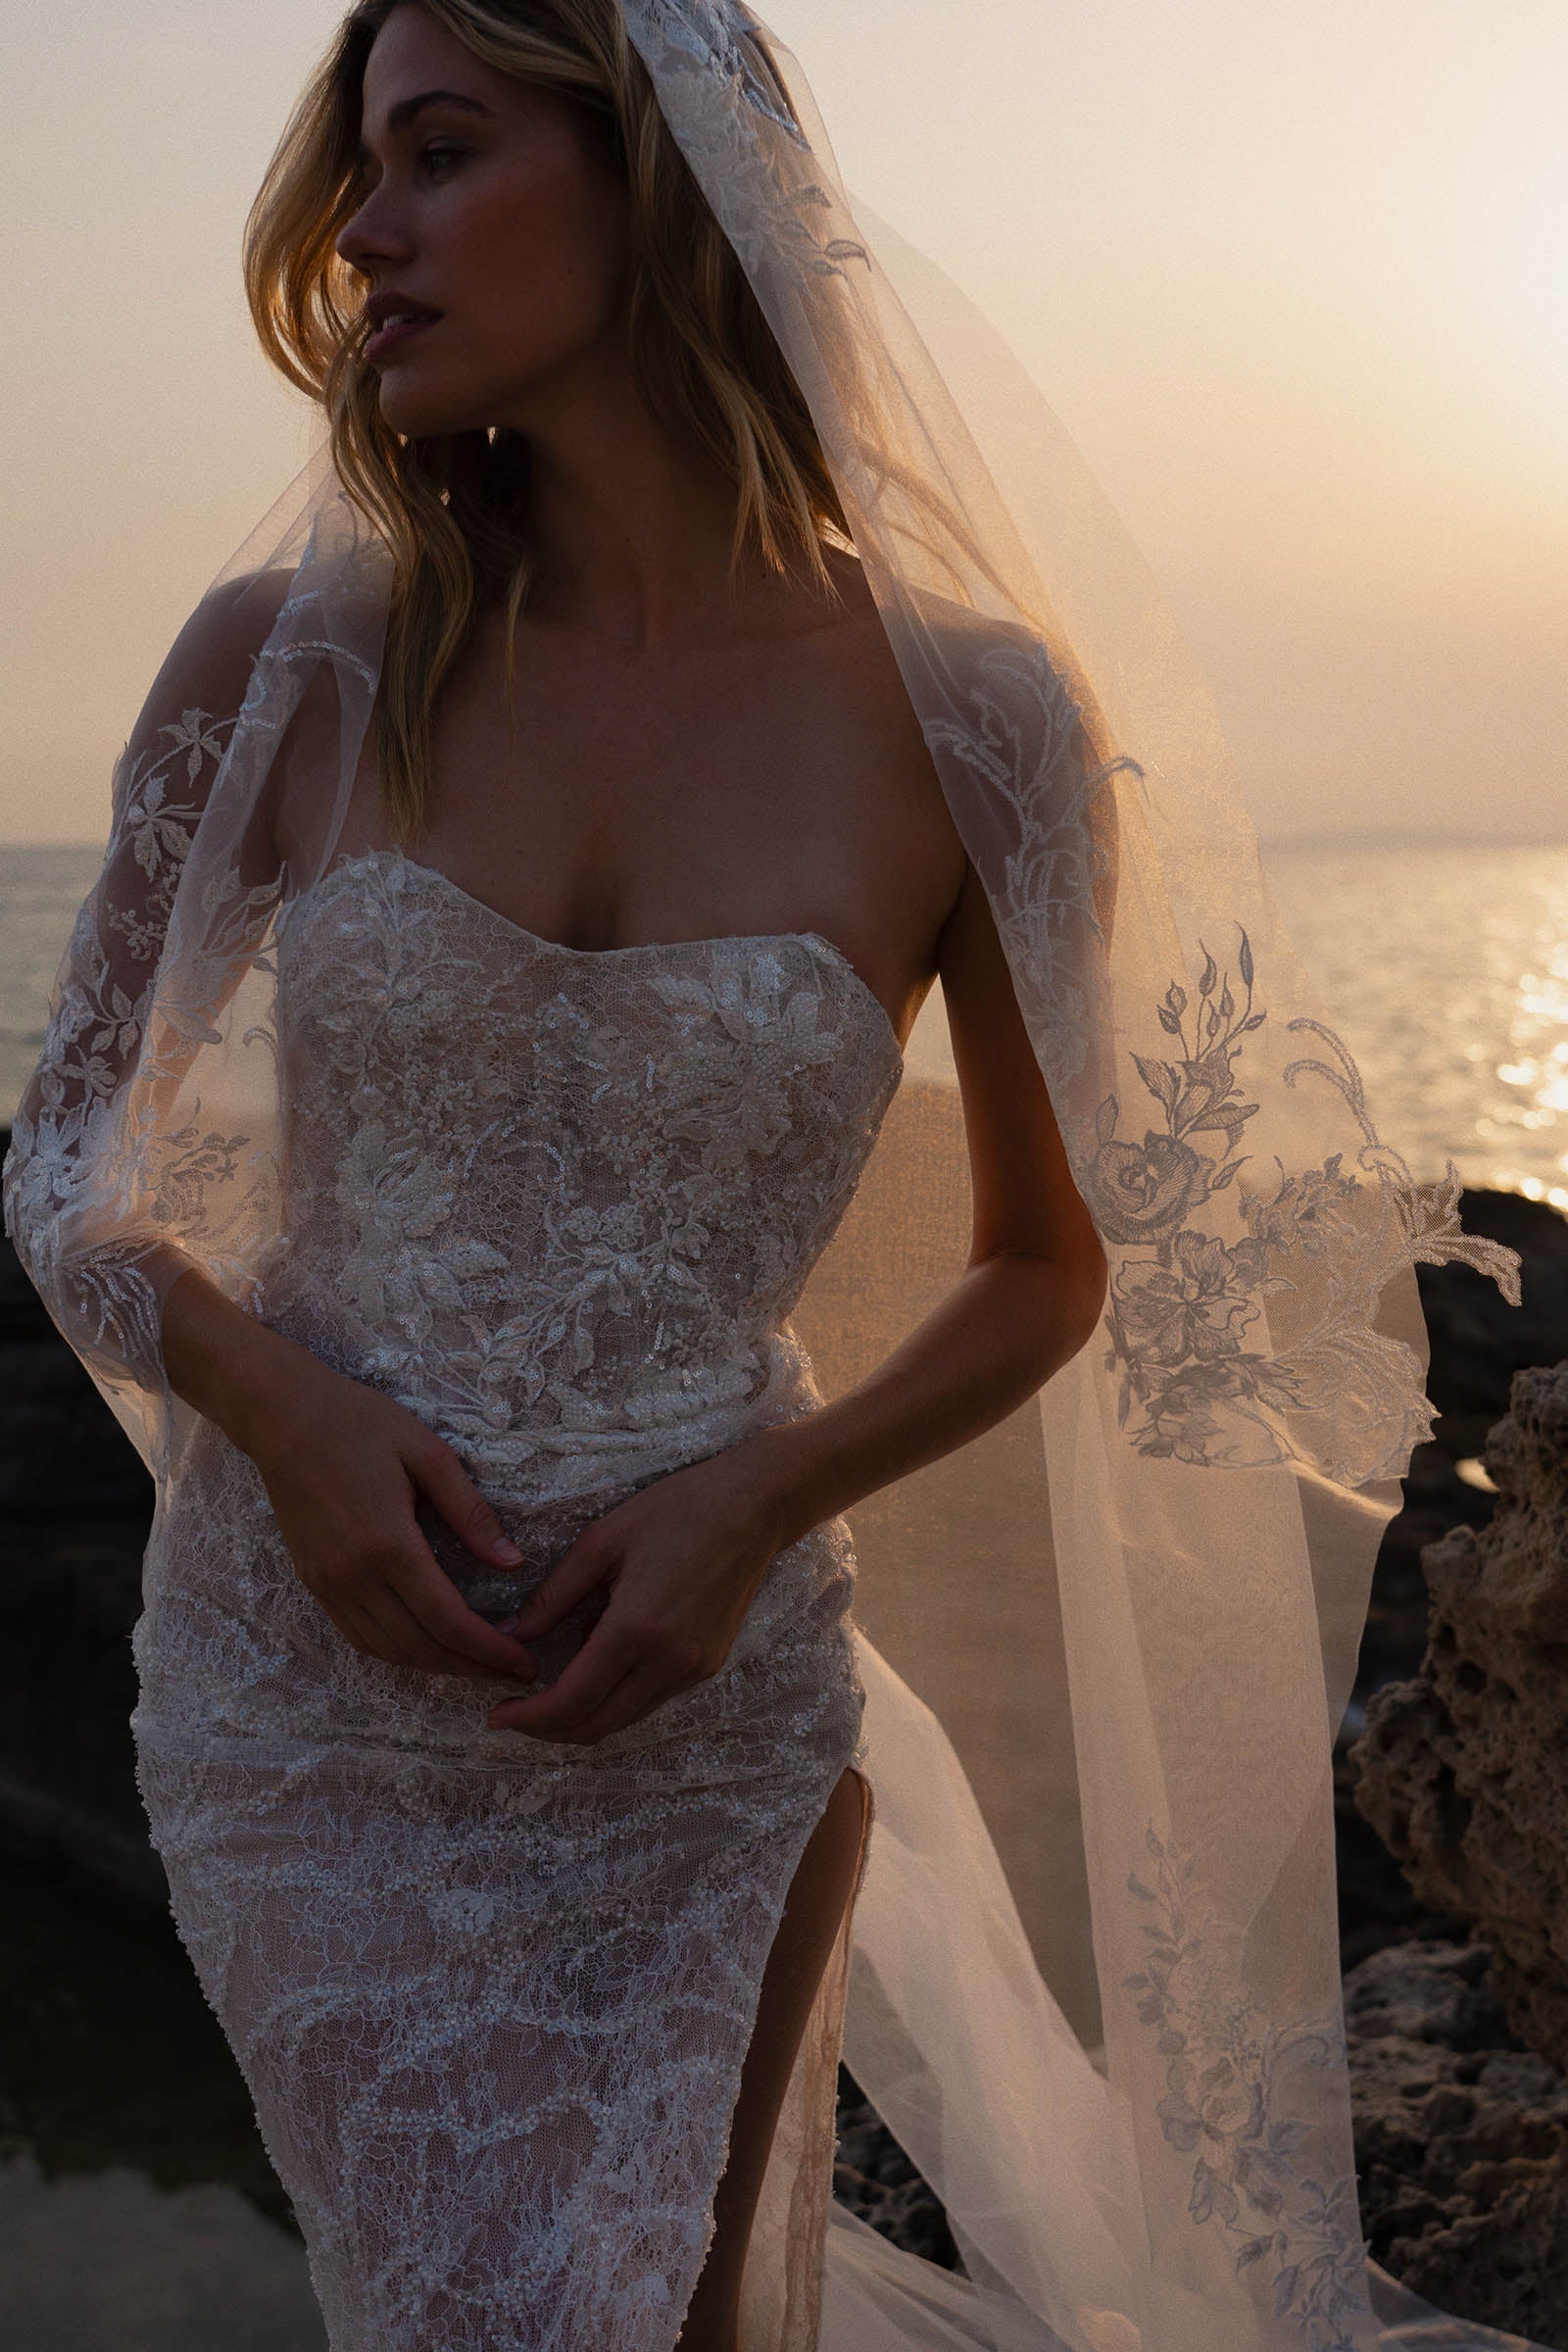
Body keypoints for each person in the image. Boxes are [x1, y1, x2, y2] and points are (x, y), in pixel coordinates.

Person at [5, 4, 1537, 2350]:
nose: (358, 239)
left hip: (702, 1707)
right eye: (356, 176)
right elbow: (61, 1168)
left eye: (436, 153)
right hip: (303, 1701)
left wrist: (754, 1501)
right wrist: (275, 1406)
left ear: (662, 185)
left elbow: (1041, 1265)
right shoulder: (291, 667)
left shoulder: (969, 718)